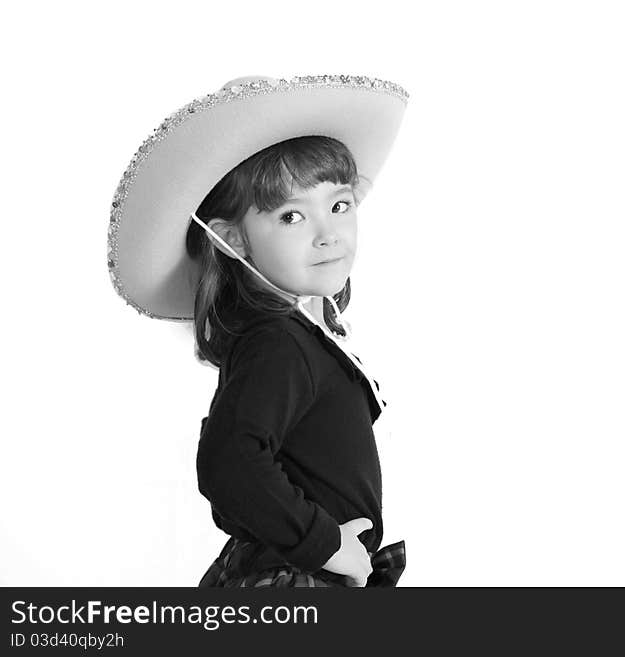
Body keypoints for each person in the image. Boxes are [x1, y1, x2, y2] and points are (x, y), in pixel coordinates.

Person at [106, 74, 409, 587]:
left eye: (338, 205)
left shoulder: (300, 337)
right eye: (291, 216)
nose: (327, 233)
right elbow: (230, 461)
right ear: (232, 241)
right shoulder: (277, 343)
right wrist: (325, 544)